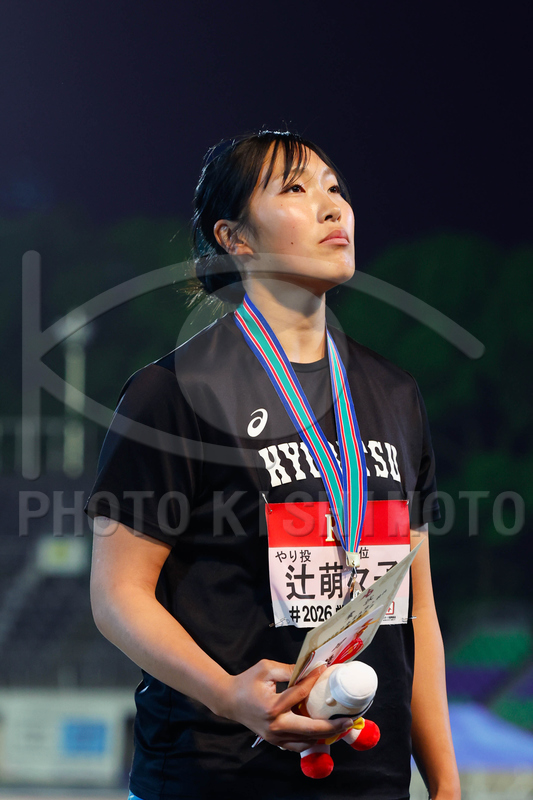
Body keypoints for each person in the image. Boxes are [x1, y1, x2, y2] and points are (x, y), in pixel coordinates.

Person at [86, 131, 460, 800]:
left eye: (335, 188)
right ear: (234, 238)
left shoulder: (395, 394)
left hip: (369, 780)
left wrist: (446, 785)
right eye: (294, 188)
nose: (332, 206)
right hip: (213, 776)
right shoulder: (171, 392)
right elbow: (118, 596)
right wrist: (228, 694)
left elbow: (417, 612)